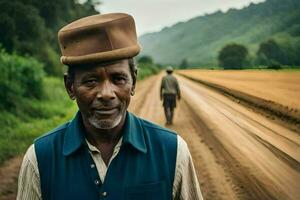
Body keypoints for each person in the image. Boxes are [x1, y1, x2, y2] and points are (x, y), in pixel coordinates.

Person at [17, 13, 203, 200]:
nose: (106, 93)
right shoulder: (39, 159)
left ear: (134, 82)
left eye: (118, 79)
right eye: (90, 81)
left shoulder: (173, 151)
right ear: (70, 87)